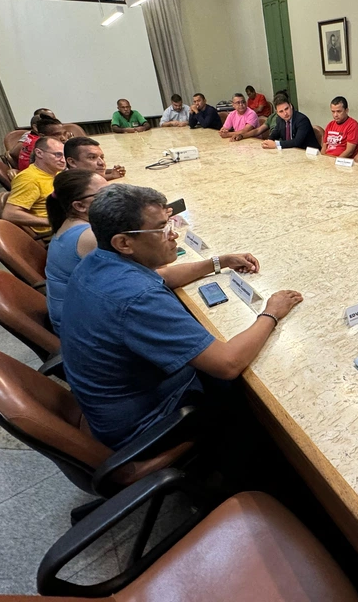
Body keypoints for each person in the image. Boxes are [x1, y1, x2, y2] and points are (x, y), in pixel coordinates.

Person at [61, 184, 303, 448]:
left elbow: (163, 276)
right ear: (124, 242)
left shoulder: (100, 259)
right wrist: (271, 312)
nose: (173, 234)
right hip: (147, 425)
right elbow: (227, 364)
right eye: (161, 229)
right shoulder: (138, 298)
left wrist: (218, 262)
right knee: (256, 388)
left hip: (113, 404)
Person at [44, 169, 109, 334]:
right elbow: (154, 276)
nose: (113, 199)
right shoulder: (89, 237)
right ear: (79, 206)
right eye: (105, 195)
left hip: (78, 318)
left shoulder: (70, 223)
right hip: (86, 332)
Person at [4, 136, 66, 235]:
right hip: (54, 232)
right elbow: (9, 214)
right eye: (58, 155)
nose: (63, 160)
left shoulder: (55, 172)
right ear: (39, 153)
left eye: (64, 155)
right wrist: (51, 222)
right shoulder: (29, 179)